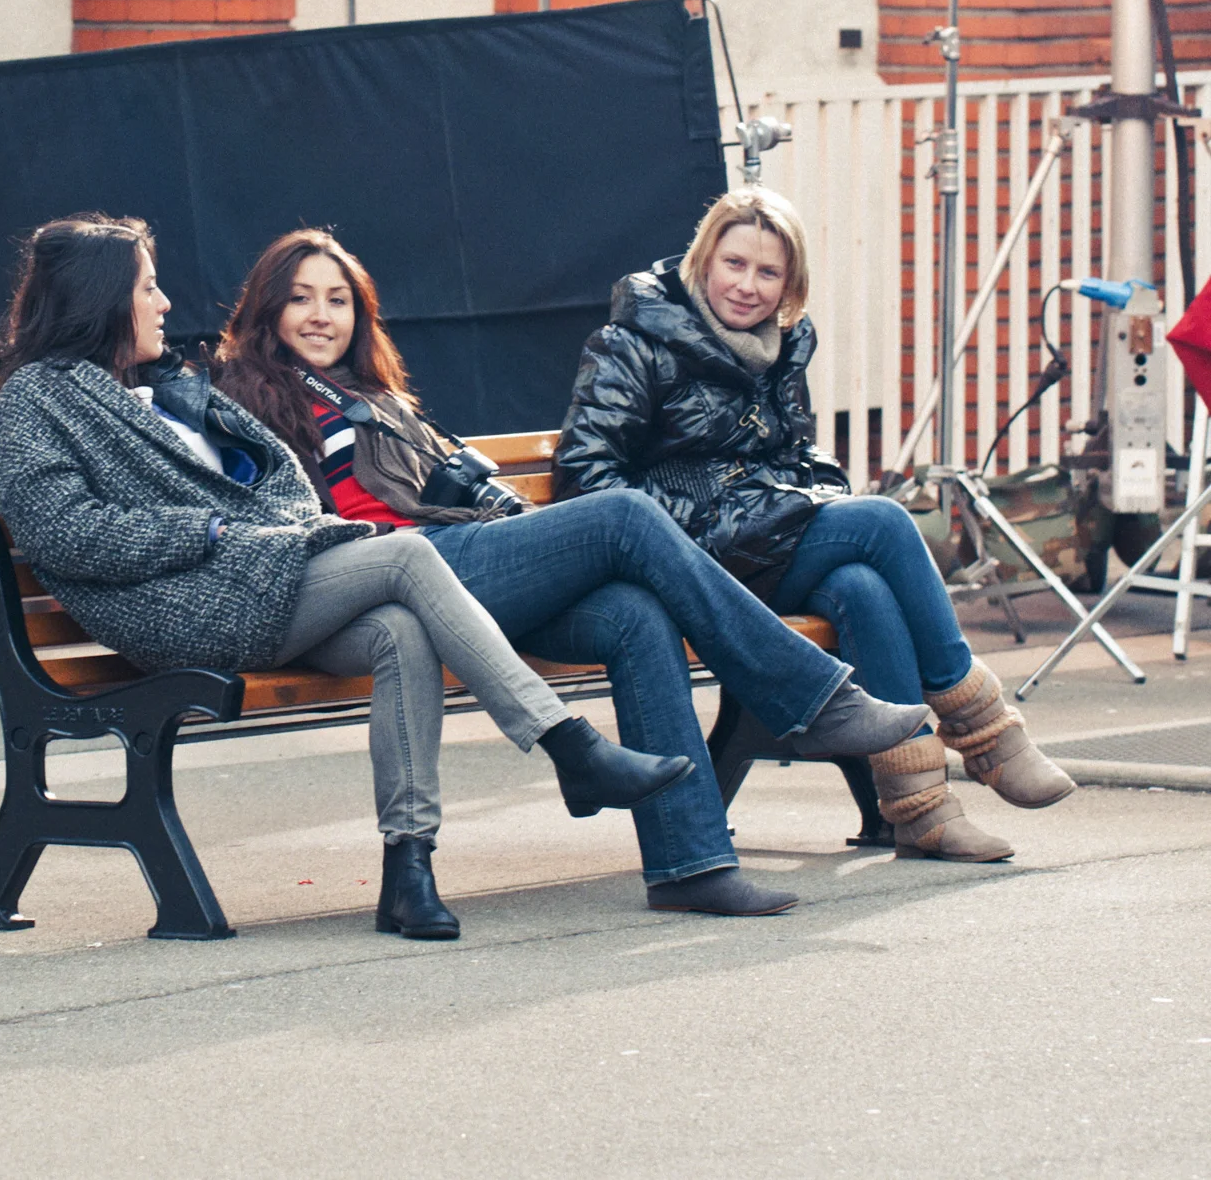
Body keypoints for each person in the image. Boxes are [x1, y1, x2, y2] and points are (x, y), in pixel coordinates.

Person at [0, 213, 707, 942]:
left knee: (399, 631)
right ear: (102, 296)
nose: (164, 302)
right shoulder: (39, 397)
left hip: (259, 579)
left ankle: (409, 870)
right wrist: (212, 532)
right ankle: (569, 746)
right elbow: (64, 532)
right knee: (407, 557)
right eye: (148, 287)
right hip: (186, 606)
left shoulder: (165, 387)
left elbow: (279, 483)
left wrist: (264, 532)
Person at [213, 227, 931, 916]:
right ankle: (811, 698)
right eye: (301, 298)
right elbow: (273, 526)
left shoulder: (377, 398)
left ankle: (692, 865)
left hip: (465, 569)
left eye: (338, 300)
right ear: (266, 309)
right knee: (624, 516)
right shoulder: (243, 399)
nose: (321, 315)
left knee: (634, 615)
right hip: (391, 579)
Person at [555, 185, 1078, 861]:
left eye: (768, 272)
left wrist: (802, 497)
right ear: (703, 259)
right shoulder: (630, 344)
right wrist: (698, 522)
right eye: (734, 263)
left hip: (762, 541)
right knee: (883, 521)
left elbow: (800, 454)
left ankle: (920, 811)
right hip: (690, 561)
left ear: (789, 284)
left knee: (863, 587)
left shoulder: (782, 346)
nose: (747, 286)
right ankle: (986, 732)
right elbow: (584, 476)